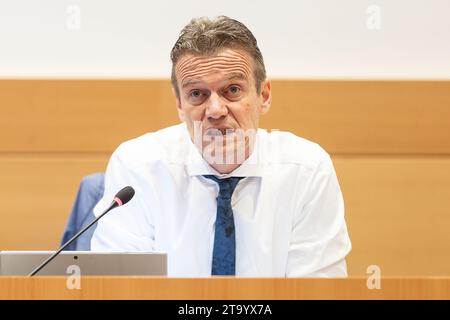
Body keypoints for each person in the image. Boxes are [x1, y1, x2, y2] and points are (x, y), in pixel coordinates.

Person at [91, 16, 351, 277]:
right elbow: (120, 289)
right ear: (180, 105)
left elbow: (318, 291)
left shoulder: (307, 170)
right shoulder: (137, 166)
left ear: (264, 95)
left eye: (233, 90)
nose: (215, 110)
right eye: (196, 94)